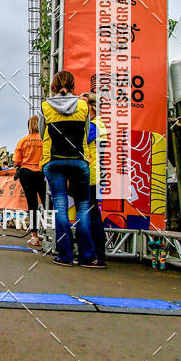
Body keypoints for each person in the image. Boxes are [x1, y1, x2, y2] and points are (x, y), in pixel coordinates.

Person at [40, 71, 99, 267]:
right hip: (79, 160)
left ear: (53, 86)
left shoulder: (45, 107)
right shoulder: (83, 105)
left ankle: (65, 255)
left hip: (54, 160)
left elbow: (42, 134)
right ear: (73, 86)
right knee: (83, 207)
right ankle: (87, 256)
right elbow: (86, 130)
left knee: (60, 207)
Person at [81, 92, 107, 267]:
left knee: (92, 217)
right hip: (91, 175)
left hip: (91, 176)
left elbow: (78, 142)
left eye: (82, 105)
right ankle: (93, 255)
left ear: (91, 106)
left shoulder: (94, 125)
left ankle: (96, 256)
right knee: (91, 216)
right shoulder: (95, 124)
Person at [13, 116, 46, 247]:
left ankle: (35, 236)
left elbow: (16, 162)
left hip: (26, 173)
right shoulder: (45, 140)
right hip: (42, 172)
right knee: (48, 203)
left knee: (32, 204)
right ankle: (55, 233)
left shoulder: (23, 141)